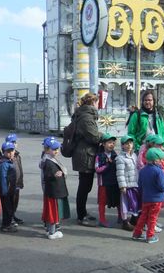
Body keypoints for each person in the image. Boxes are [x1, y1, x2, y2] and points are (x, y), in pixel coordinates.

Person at [70, 92, 103, 227]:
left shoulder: (82, 115)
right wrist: (103, 135)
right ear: (92, 103)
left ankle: (82, 212)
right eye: (97, 102)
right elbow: (94, 137)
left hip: (84, 153)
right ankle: (81, 215)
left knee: (85, 185)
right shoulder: (86, 117)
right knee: (84, 186)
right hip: (85, 155)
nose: (98, 105)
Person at [131, 148, 164, 244]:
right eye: (160, 159)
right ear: (155, 160)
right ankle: (150, 236)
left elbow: (140, 184)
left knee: (143, 216)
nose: (161, 161)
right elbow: (162, 186)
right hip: (156, 199)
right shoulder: (159, 171)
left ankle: (137, 233)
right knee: (152, 218)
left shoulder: (143, 170)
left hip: (146, 198)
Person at [40, 137, 69, 240]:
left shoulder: (49, 159)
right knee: (53, 212)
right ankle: (52, 232)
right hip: (53, 192)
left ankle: (49, 230)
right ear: (47, 150)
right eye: (54, 149)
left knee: (51, 211)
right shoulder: (48, 162)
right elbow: (47, 176)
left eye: (57, 149)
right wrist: (54, 175)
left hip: (52, 191)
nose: (56, 151)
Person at [95, 133, 121, 228]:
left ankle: (121, 216)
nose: (112, 145)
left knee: (118, 200)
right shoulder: (99, 156)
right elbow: (97, 170)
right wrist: (107, 165)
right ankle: (102, 219)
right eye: (109, 142)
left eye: (113, 143)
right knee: (102, 202)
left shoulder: (115, 155)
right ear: (103, 144)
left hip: (114, 182)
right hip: (104, 183)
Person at [116, 134, 139, 231]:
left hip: (134, 184)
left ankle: (134, 219)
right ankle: (124, 222)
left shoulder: (134, 155)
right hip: (126, 186)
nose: (129, 145)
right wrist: (122, 186)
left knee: (135, 203)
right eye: (126, 144)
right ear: (122, 145)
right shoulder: (120, 158)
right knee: (124, 204)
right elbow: (120, 173)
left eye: (130, 143)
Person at [0, 142, 18, 232]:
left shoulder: (9, 161)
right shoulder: (4, 164)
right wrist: (5, 191)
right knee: (7, 209)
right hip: (6, 191)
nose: (10, 153)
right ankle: (6, 225)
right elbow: (2, 178)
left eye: (12, 151)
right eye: (8, 152)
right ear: (3, 152)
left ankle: (8, 223)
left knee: (10, 207)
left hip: (10, 189)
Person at [6, 133, 24, 224]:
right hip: (10, 184)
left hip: (17, 182)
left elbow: (19, 169)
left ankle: (13, 215)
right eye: (11, 142)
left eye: (14, 142)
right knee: (10, 202)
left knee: (16, 201)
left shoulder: (17, 155)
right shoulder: (8, 155)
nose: (13, 144)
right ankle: (10, 218)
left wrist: (20, 182)